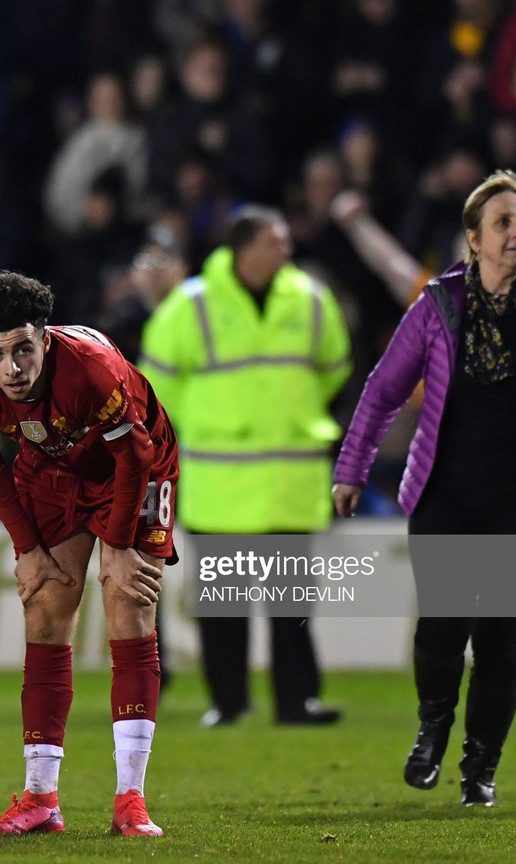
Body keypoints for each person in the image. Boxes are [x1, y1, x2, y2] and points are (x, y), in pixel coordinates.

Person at [332, 170, 516, 806]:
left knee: (502, 639)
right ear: (474, 238)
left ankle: (481, 770)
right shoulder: (438, 306)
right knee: (441, 628)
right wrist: (351, 470)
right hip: (449, 498)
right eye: (503, 222)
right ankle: (433, 728)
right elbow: (383, 391)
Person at [0, 272, 177, 838]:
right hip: (52, 469)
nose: (13, 368)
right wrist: (26, 549)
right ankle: (40, 798)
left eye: (24, 348)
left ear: (45, 338)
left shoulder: (91, 370)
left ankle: (130, 800)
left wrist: (119, 546)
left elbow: (134, 458)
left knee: (128, 603)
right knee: (45, 608)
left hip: (137, 468)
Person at [139, 205, 351, 728]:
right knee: (223, 608)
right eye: (275, 240)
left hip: (283, 482)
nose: (287, 249)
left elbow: (336, 368)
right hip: (223, 483)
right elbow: (154, 390)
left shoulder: (311, 298)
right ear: (245, 248)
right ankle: (229, 702)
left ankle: (296, 701)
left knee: (292, 607)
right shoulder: (191, 307)